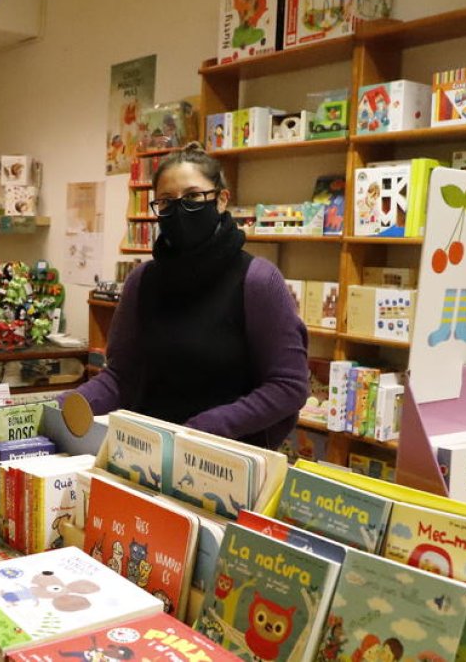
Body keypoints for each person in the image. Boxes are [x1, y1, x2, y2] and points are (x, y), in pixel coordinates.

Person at [72, 142, 308, 448]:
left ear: (222, 199)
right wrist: (67, 404)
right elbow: (120, 377)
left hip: (227, 462)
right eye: (167, 202)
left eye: (193, 196)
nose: (180, 210)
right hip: (148, 455)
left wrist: (205, 428)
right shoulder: (141, 281)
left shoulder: (258, 281)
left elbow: (289, 386)